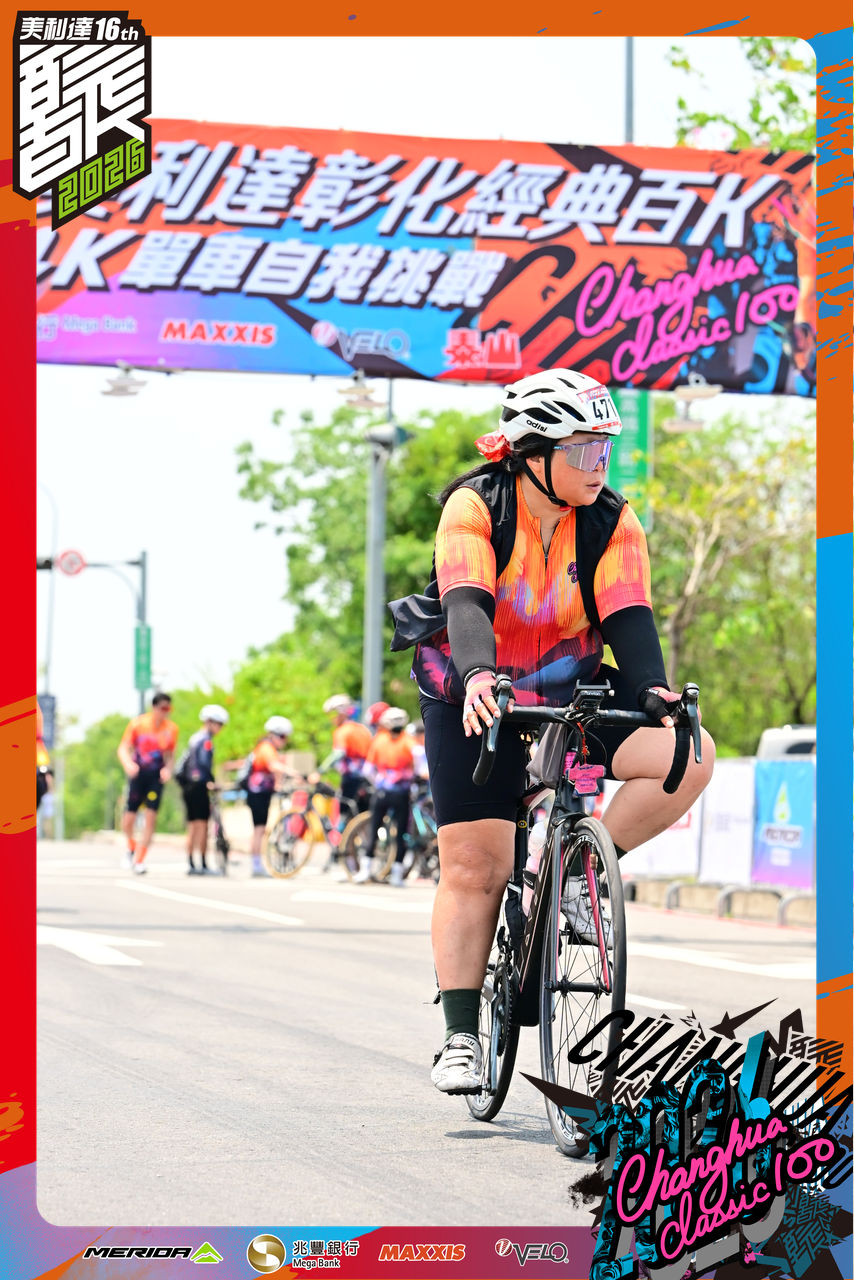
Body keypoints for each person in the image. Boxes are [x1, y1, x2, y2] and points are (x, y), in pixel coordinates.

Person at [390, 367, 715, 1096]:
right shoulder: (476, 505)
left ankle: (579, 876)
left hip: (571, 688)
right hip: (476, 689)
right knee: (477, 868)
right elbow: (466, 604)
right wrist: (479, 676)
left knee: (689, 754)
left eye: (607, 450)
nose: (601, 466)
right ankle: (462, 1035)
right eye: (586, 450)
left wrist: (654, 690)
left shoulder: (612, 519)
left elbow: (629, 615)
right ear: (534, 454)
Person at [117, 692, 179, 874]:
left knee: (151, 818)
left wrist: (168, 769)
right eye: (163, 708)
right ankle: (131, 846)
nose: (166, 712)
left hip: (155, 778)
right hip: (138, 775)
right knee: (128, 819)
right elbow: (123, 748)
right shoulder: (138, 724)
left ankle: (140, 860)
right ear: (154, 707)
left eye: (168, 708)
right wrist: (128, 765)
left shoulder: (171, 729)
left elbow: (170, 755)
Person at [355, 706, 416, 887]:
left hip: (382, 791)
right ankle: (396, 874)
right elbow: (420, 766)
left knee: (374, 829)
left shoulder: (379, 741)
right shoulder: (409, 741)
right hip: (402, 792)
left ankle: (366, 869)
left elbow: (368, 769)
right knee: (401, 833)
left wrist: (380, 782)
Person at [176, 704, 229, 874]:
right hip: (198, 786)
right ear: (209, 722)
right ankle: (203, 864)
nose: (220, 728)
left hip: (188, 786)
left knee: (192, 825)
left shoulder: (195, 738)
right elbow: (204, 765)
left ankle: (192, 863)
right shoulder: (205, 740)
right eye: (219, 724)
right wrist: (211, 782)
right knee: (202, 826)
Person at [244, 715, 295, 877]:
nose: (284, 741)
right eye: (283, 737)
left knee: (260, 829)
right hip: (258, 794)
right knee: (259, 830)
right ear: (274, 735)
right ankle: (256, 865)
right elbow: (274, 766)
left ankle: (257, 865)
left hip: (261, 793)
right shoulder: (266, 748)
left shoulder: (267, 748)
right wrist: (295, 773)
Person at [321, 694, 372, 812]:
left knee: (345, 812)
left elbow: (338, 753)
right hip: (366, 779)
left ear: (341, 714)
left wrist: (321, 770)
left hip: (351, 779)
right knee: (362, 813)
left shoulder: (342, 731)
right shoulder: (363, 729)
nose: (331, 718)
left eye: (333, 714)